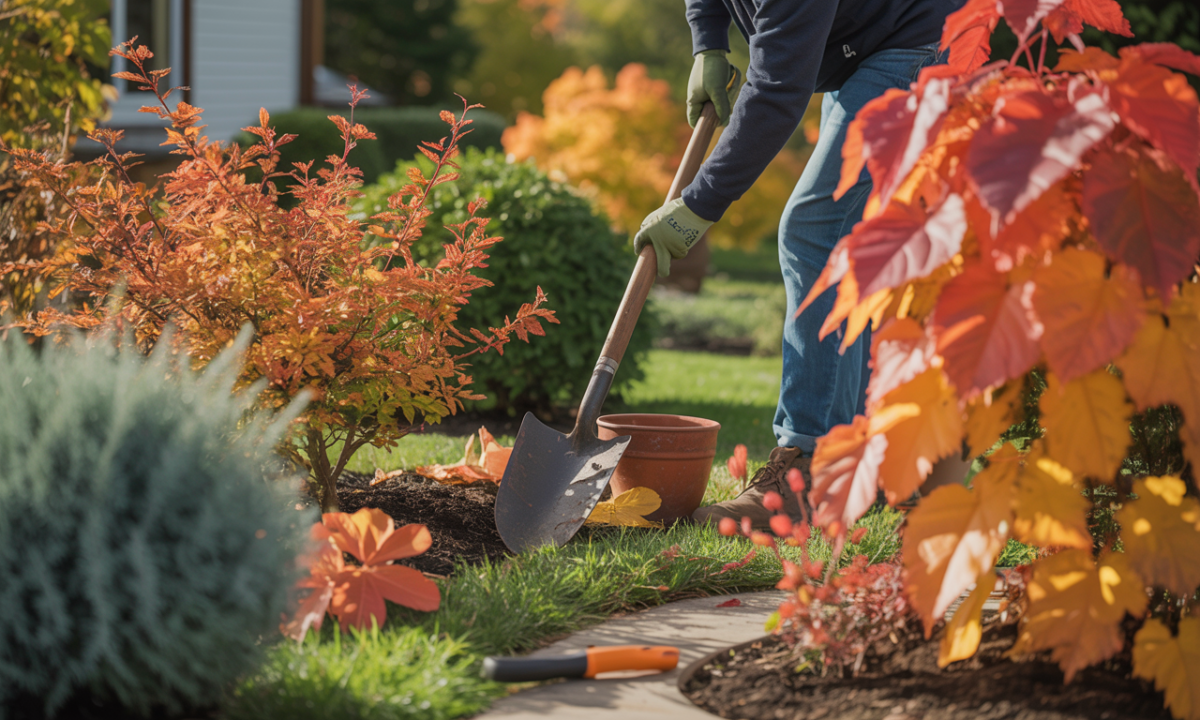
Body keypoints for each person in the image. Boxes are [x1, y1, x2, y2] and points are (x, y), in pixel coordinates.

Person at [634, 0, 964, 529]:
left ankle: (807, 473)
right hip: (865, 47)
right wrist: (709, 41)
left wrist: (699, 206)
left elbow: (775, 95)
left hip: (918, 42)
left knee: (815, 227)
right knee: (841, 241)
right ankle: (855, 469)